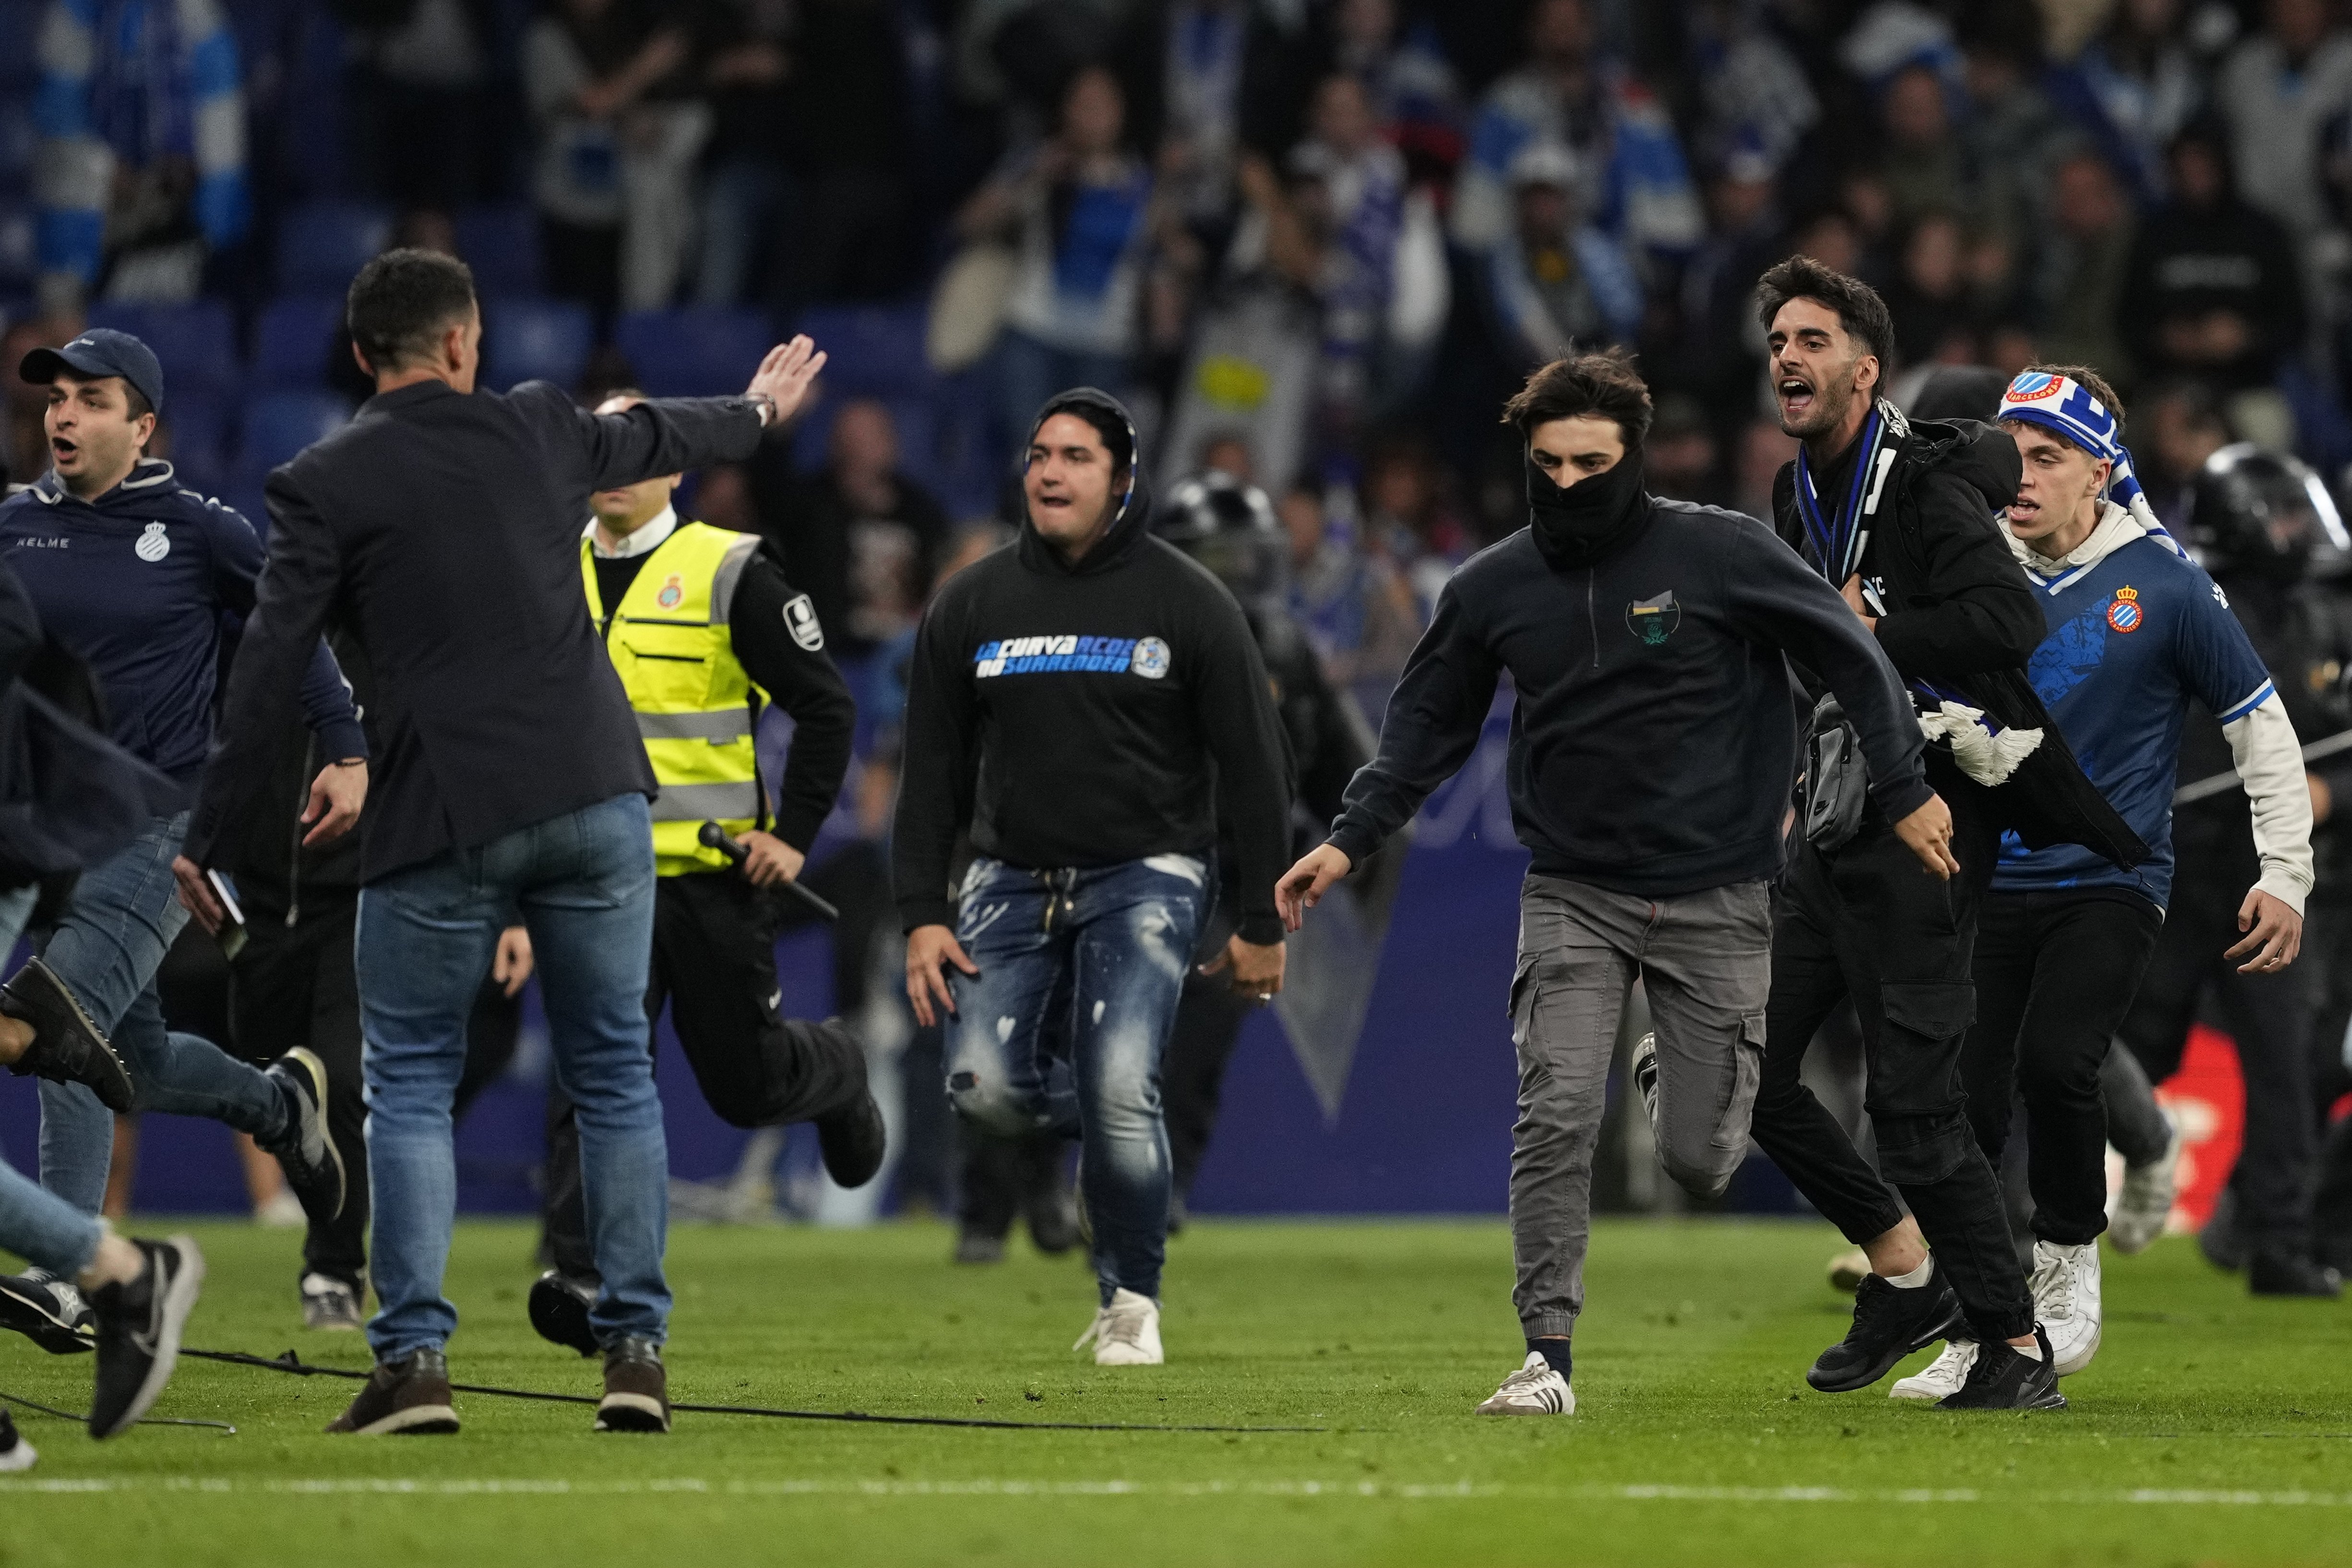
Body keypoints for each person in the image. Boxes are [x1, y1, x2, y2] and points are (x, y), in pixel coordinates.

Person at [169, 248, 826, 1436]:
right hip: (595, 796)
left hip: (438, 816)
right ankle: (635, 1351)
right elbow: (669, 431)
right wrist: (766, 409)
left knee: (409, 1084)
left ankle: (414, 1365)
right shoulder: (538, 426)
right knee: (617, 1071)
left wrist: (210, 835)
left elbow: (267, 668)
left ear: (365, 355)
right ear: (466, 342)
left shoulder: (322, 480)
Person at [1277, 350, 1949, 1418]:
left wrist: (1904, 784)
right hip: (1574, 889)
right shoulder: (1495, 584)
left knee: (1703, 1158)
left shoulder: (1720, 550)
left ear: (1632, 454)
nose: (1573, 482)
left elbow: (1850, 652)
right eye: (1550, 463)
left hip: (1720, 891)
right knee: (1551, 1113)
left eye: (1594, 460)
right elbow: (1424, 725)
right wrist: (1351, 838)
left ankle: (1669, 1077)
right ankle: (1547, 1356)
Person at [1744, 259, 2147, 1413]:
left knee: (1916, 1111)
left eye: (1813, 340)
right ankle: (1906, 1267)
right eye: (1779, 339)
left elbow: (2008, 618)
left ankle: (2014, 1346)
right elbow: (1814, 651)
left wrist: (1883, 618)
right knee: (1743, 1075)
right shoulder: (1791, 490)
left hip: (1927, 822)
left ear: (1865, 372)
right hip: (1830, 818)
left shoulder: (1919, 487)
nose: (1787, 358)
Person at [1886, 367, 2317, 1402]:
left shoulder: (2166, 583)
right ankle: (1987, 1317)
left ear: (2101, 473)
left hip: (2114, 873)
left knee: (2058, 1060)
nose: (2020, 477)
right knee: (1968, 1100)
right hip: (1991, 869)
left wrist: (2287, 877)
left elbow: (2265, 730)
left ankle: (2069, 1267)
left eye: (2047, 458)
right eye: (2011, 455)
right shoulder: (1971, 568)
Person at [895, 388, 1292, 1367]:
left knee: (1119, 1078)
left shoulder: (1190, 601)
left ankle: (1130, 1301)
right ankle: (1125, 1131)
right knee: (982, 1087)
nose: (1049, 471)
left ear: (1121, 480)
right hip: (1006, 878)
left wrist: (1260, 918)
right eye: (1039, 453)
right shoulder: (972, 602)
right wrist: (920, 913)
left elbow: (1256, 766)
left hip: (1148, 872)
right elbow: (931, 773)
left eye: (1075, 456)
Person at [0, 328, 356, 1353]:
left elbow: (290, 631)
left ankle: (72, 1272)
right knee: (133, 1058)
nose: (64, 414)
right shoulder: (12, 525)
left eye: (91, 398)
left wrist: (346, 744)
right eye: (56, 398)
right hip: (49, 836)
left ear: (143, 424)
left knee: (57, 1020)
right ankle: (279, 1101)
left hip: (161, 823)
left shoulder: (199, 529)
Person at [526, 390, 884, 1356]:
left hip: (713, 882)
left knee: (747, 1084)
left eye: (638, 444)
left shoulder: (728, 568)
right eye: (602, 440)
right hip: (596, 879)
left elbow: (826, 707)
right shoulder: (546, 572)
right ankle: (582, 1272)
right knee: (592, 1071)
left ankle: (840, 1071)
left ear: (677, 465)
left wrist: (795, 835)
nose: (617, 459)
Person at [2115, 444, 2352, 1298]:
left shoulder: (2316, 615)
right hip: (2175, 865)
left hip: (2266, 872)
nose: (2296, 533)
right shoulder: (2178, 596)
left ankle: (2279, 1240)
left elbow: (2333, 744)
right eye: (2280, 514)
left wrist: (2329, 792)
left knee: (2286, 1061)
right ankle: (2027, 1209)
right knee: (2127, 1047)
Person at [1154, 471, 1370, 1220]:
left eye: (1248, 556)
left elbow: (1347, 774)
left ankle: (1165, 1179)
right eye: (1220, 557)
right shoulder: (1143, 648)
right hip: (1144, 862)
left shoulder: (1285, 649)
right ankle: (1078, 1177)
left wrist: (1356, 843)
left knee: (1209, 1002)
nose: (1238, 574)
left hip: (1244, 875)